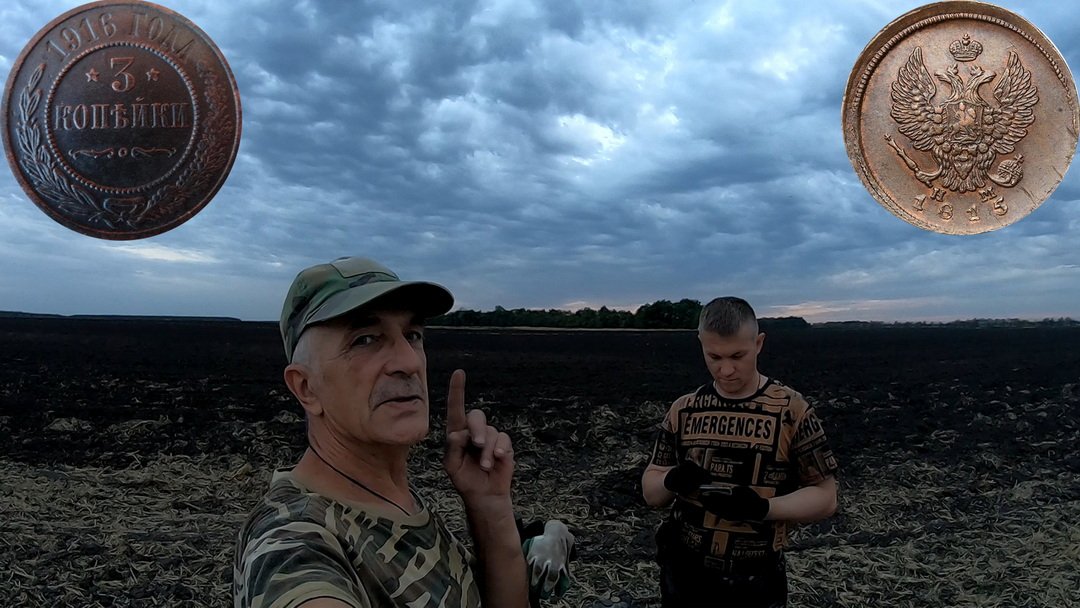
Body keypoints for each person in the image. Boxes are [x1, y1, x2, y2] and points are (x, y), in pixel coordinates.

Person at [233, 257, 573, 608]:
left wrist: (489, 507)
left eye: (412, 335)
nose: (409, 362)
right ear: (306, 388)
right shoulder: (293, 542)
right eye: (365, 340)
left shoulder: (395, 500)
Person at [641, 297, 839, 608]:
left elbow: (826, 498)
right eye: (714, 357)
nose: (726, 370)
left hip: (757, 582)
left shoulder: (792, 411)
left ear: (758, 344)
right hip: (684, 576)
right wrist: (672, 480)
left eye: (737, 355)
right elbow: (651, 492)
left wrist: (763, 508)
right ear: (701, 345)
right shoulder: (684, 410)